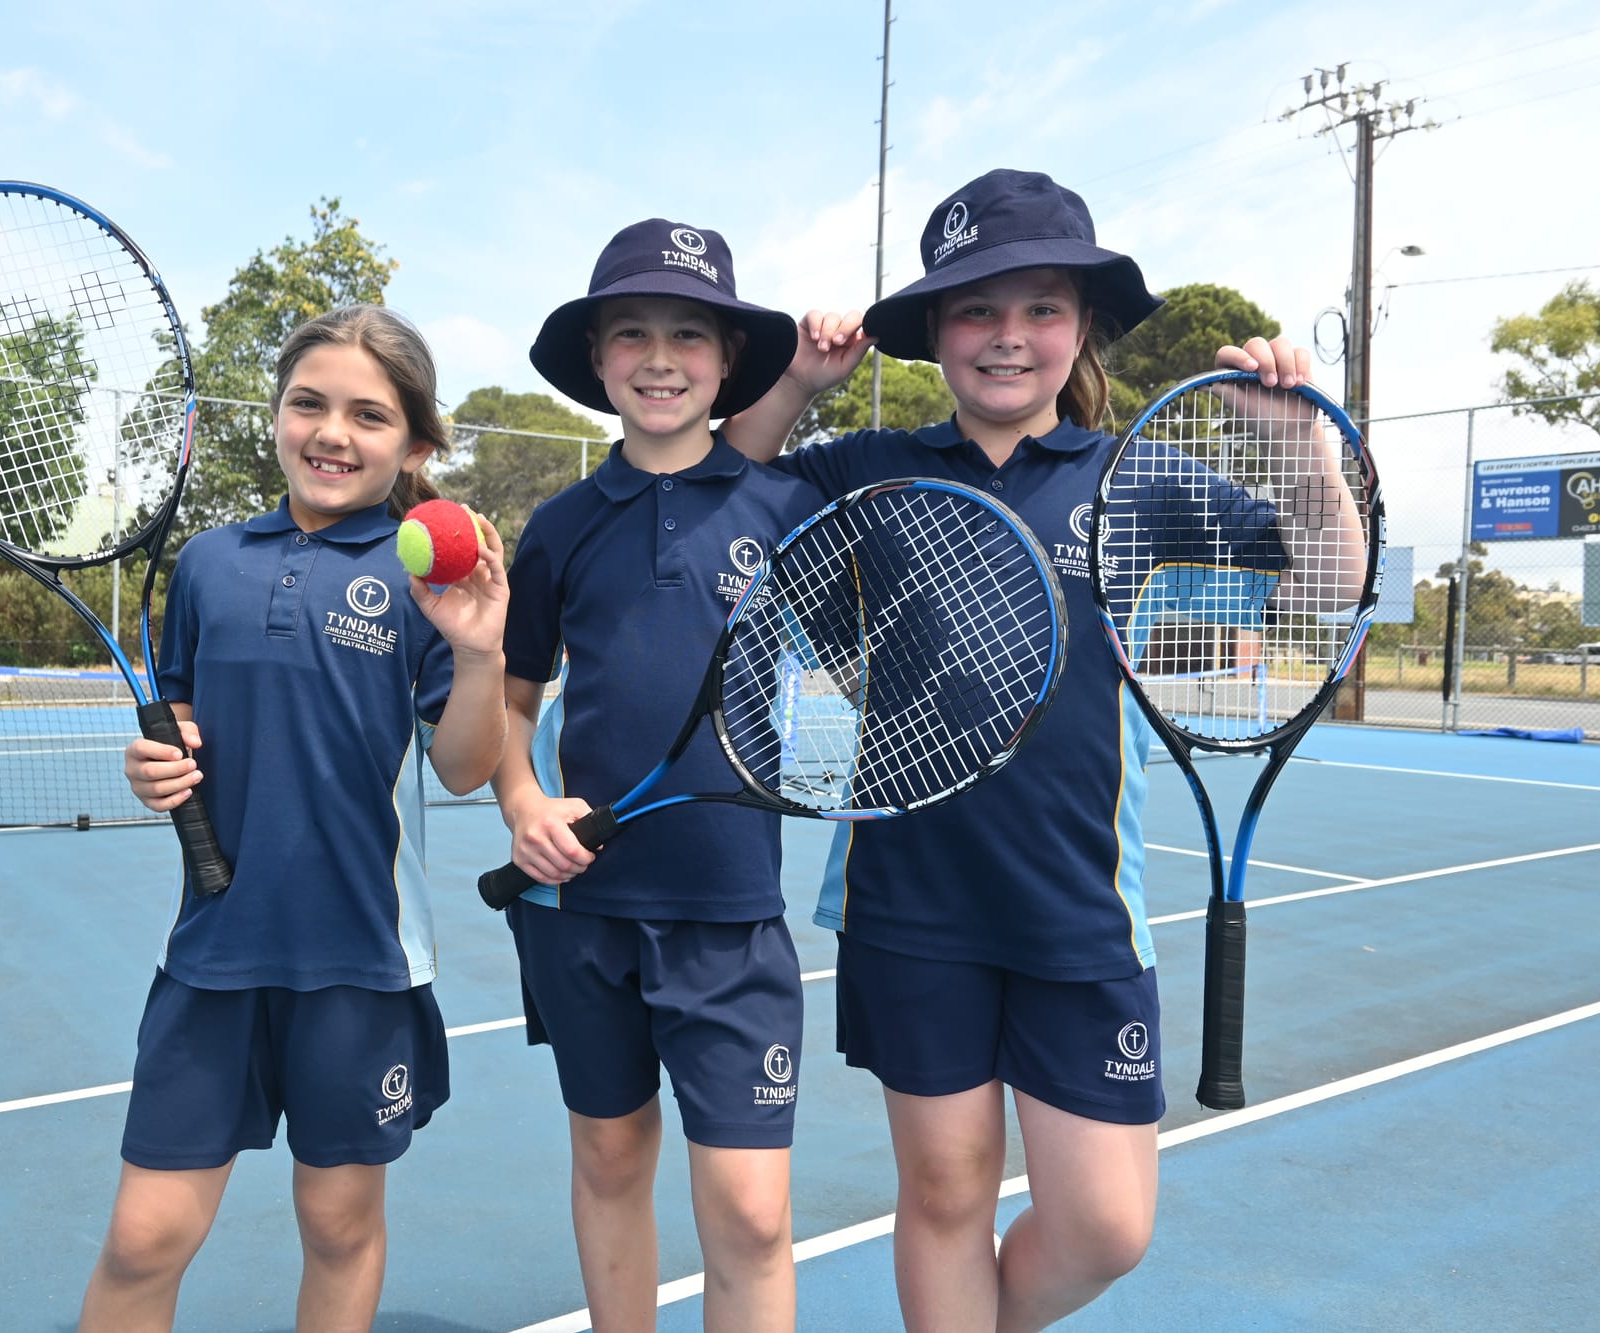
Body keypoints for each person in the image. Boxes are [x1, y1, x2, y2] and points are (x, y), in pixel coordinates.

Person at [720, 169, 1318, 1332]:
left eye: (1040, 307)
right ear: (935, 331)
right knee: (944, 1194)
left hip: (1076, 907)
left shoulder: (1132, 473)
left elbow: (1322, 581)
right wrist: (793, 384)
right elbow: (726, 489)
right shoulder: (866, 467)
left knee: (1105, 1227)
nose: (1007, 335)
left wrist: (1298, 450)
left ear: (1080, 326)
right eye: (975, 310)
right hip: (909, 900)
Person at [78, 305, 509, 1332]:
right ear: (274, 414)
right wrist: (153, 765)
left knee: (338, 1226)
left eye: (369, 415)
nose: (332, 432)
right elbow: (179, 721)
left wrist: (481, 652)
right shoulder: (208, 563)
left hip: (358, 959)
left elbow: (463, 769)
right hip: (213, 951)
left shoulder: (425, 578)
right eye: (308, 403)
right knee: (142, 1238)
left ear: (414, 446)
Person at [491, 218, 826, 1331]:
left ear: (728, 360)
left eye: (688, 334)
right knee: (608, 1160)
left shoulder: (787, 509)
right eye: (631, 332)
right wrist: (521, 800)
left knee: (752, 1216)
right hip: (582, 911)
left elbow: (868, 655)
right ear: (597, 359)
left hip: (730, 917)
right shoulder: (559, 526)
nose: (660, 357)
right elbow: (514, 697)